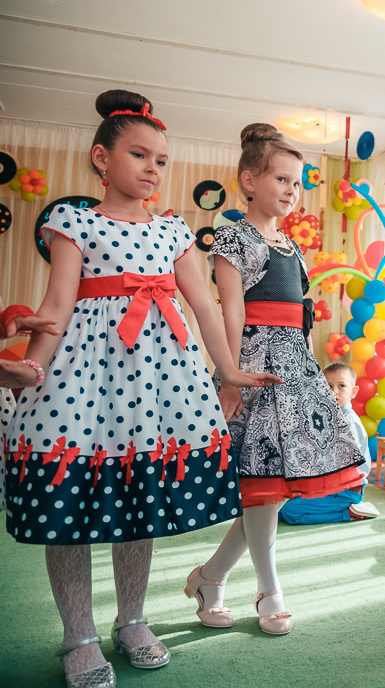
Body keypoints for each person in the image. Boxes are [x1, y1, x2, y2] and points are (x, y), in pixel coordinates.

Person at [2, 90, 278, 688]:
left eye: (161, 160)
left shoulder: (175, 229)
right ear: (102, 158)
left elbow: (204, 306)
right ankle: (77, 635)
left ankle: (132, 620)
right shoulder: (71, 221)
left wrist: (226, 370)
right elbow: (57, 304)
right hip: (85, 380)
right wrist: (32, 369)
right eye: (139, 155)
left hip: (158, 383)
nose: (153, 169)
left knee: (138, 506)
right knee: (71, 511)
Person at [188, 123, 365, 637]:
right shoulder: (233, 236)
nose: (292, 190)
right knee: (263, 488)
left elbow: (299, 316)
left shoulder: (290, 245)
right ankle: (267, 590)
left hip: (295, 370)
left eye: (298, 182)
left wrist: (309, 372)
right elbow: (231, 311)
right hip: (255, 367)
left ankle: (211, 578)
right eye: (282, 179)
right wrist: (230, 377)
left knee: (274, 490)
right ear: (249, 180)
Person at [277, 363, 379, 524]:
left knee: (290, 512)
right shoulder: (322, 418)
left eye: (341, 386)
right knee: (276, 510)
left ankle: (349, 513)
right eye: (327, 385)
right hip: (327, 485)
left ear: (353, 392)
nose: (333, 391)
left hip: (345, 490)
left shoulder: (349, 423)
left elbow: (342, 466)